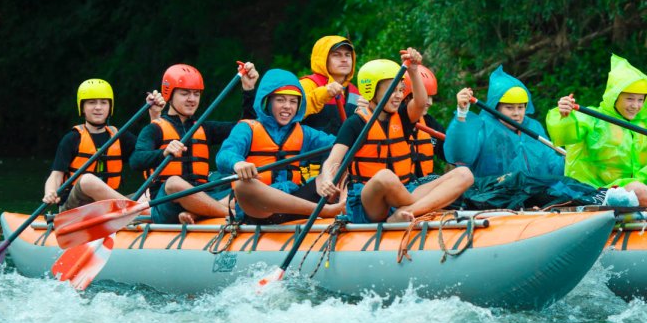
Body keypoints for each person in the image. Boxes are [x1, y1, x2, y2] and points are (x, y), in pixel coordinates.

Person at [316, 50, 473, 224]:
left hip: (405, 191)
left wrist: (413, 69)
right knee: (385, 176)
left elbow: (420, 103)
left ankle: (406, 213)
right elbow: (333, 160)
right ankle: (422, 205)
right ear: (371, 91)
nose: (398, 95)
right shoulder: (355, 123)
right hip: (369, 201)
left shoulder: (403, 117)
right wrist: (327, 178)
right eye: (392, 90)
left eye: (401, 90)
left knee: (464, 174)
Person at [546, 54, 647, 211]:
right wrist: (564, 116)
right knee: (637, 188)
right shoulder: (592, 118)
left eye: (640, 100)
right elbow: (565, 135)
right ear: (615, 97)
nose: (635, 105)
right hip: (599, 194)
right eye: (630, 99)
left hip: (642, 193)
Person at [216, 68, 344, 223]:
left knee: (344, 160)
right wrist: (238, 163)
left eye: (293, 101)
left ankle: (344, 206)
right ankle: (327, 211)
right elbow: (224, 155)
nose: (287, 106)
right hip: (261, 210)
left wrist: (328, 176)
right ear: (267, 101)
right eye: (280, 100)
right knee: (243, 187)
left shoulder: (304, 133)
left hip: (295, 198)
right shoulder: (247, 128)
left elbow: (340, 144)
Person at [131, 63, 251, 224]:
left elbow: (247, 128)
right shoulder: (154, 129)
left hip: (204, 196)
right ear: (169, 95)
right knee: (174, 182)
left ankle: (197, 212)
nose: (192, 99)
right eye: (185, 93)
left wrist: (248, 90)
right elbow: (136, 160)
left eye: (196, 94)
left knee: (244, 185)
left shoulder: (205, 128)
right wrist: (164, 152)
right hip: (166, 204)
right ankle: (231, 213)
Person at [42, 79, 162, 211]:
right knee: (87, 180)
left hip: (109, 207)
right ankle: (138, 211)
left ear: (110, 107)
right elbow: (56, 175)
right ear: (82, 107)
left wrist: (155, 115)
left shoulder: (119, 136)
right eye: (91, 102)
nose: (98, 107)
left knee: (158, 190)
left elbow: (150, 154)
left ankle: (139, 210)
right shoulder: (72, 138)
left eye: (103, 103)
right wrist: (50, 192)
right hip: (75, 208)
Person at [445, 65, 563, 178]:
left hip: (536, 194)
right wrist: (461, 113)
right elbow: (459, 155)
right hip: (493, 195)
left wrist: (572, 155)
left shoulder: (533, 127)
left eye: (521, 107)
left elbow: (554, 165)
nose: (516, 113)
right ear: (496, 108)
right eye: (509, 107)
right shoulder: (484, 128)